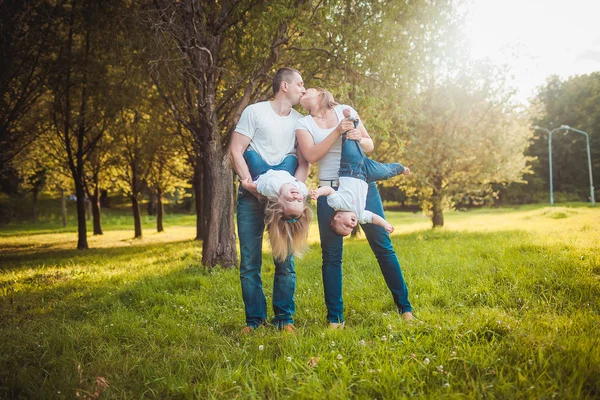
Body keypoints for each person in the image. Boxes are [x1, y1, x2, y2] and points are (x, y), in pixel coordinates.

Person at [296, 87, 413, 328]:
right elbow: (311, 155)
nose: (302, 91)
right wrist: (337, 131)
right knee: (331, 257)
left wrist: (358, 137)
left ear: (319, 93)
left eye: (306, 88)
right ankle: (335, 319)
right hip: (331, 190)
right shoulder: (303, 123)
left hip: (362, 185)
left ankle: (405, 309)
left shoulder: (344, 110)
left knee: (382, 246)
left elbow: (369, 145)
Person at [229, 67, 307, 333]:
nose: (303, 89)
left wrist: (295, 190)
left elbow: (303, 163)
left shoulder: (300, 121)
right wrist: (247, 183)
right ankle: (254, 321)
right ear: (284, 85)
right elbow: (236, 150)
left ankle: (284, 319)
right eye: (300, 83)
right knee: (250, 262)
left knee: (285, 260)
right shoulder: (255, 112)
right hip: (251, 196)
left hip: (281, 203)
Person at [311, 108, 410, 236]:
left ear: (337, 217)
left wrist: (318, 192)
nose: (352, 225)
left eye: (346, 225)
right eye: (351, 228)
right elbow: (374, 218)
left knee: (349, 140)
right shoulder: (359, 215)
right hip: (366, 174)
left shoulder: (337, 204)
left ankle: (349, 118)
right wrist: (385, 224)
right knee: (385, 172)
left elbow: (328, 190)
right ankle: (400, 168)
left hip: (351, 168)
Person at [240, 150, 312, 262]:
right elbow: (304, 167)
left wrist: (247, 185)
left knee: (251, 155)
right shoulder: (302, 189)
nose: (296, 197)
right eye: (299, 201)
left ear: (278, 199)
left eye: (290, 200)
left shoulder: (269, 188)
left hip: (261, 169)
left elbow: (254, 187)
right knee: (292, 159)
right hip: (285, 164)